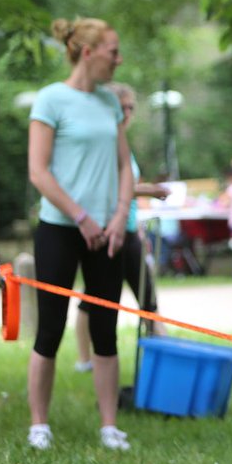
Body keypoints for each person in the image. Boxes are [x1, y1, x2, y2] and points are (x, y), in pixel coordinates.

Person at [26, 17, 135, 451]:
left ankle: (109, 426)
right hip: (60, 229)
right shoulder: (51, 99)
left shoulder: (110, 102)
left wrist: (119, 214)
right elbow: (39, 171)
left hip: (107, 231)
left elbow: (125, 164)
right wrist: (81, 216)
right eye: (112, 51)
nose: (119, 59)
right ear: (88, 53)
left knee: (105, 328)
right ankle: (39, 425)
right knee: (50, 328)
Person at [74, 83, 169, 373]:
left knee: (147, 298)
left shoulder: (122, 142)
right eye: (122, 107)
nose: (127, 113)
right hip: (108, 232)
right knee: (93, 299)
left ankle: (164, 358)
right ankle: (86, 360)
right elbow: (114, 187)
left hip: (128, 231)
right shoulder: (103, 143)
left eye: (131, 107)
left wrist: (138, 230)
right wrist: (149, 190)